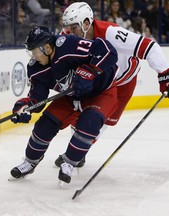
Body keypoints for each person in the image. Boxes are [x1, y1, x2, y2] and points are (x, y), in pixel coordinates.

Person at [55, 2, 169, 167]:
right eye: (67, 27)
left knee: (105, 120)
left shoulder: (111, 33)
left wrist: (166, 74)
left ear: (86, 23)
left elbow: (150, 47)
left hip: (124, 81)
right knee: (81, 115)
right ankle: (76, 151)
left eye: (73, 27)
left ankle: (80, 150)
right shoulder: (68, 36)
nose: (69, 32)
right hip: (99, 79)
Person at [10, 26, 119, 184]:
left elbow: (107, 50)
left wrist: (91, 70)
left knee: (90, 122)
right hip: (70, 96)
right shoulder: (35, 68)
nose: (33, 56)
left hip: (101, 93)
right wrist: (25, 106)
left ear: (47, 47)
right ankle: (30, 162)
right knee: (45, 124)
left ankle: (69, 163)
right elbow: (37, 98)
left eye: (35, 51)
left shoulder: (68, 45)